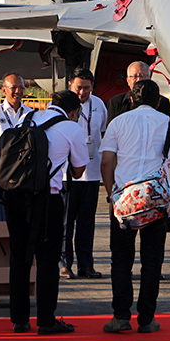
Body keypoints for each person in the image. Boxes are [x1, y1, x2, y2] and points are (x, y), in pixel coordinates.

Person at [100, 79, 170, 333]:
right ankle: (147, 319)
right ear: (159, 101)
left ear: (131, 99)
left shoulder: (118, 123)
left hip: (125, 202)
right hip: (156, 202)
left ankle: (120, 316)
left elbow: (106, 163)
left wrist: (111, 196)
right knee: (151, 261)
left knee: (121, 259)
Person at [6, 90, 88, 335]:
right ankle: (46, 320)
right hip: (47, 200)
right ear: (73, 111)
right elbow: (78, 171)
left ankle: (19, 320)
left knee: (19, 258)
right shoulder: (71, 128)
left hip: (16, 196)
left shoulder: (27, 119)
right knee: (48, 260)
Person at [60, 69, 108, 280]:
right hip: (66, 175)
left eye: (86, 88)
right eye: (78, 87)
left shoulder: (99, 105)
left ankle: (86, 265)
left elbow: (103, 133)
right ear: (70, 84)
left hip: (92, 172)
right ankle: (64, 264)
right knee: (65, 223)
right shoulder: (63, 104)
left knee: (87, 222)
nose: (82, 92)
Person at [105, 61, 170, 124]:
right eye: (135, 76)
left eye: (142, 76)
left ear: (150, 78)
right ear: (128, 80)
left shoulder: (162, 102)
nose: (139, 80)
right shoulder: (115, 102)